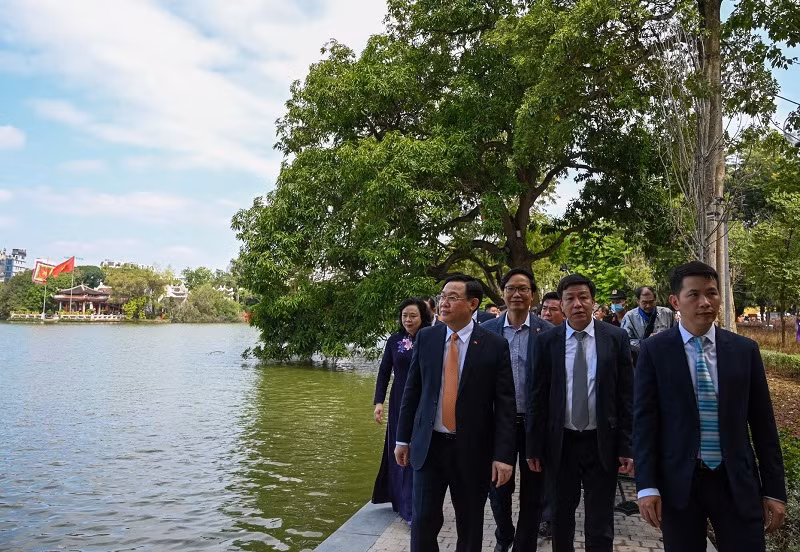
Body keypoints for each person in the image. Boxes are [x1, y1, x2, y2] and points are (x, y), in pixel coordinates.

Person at [634, 261, 786, 552]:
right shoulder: (655, 351)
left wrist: (775, 490)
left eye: (712, 293)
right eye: (694, 295)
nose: (705, 302)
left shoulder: (744, 351)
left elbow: (764, 424)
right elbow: (644, 423)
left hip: (736, 482)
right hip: (679, 484)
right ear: (675, 301)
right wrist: (647, 485)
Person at [396, 274, 516, 552]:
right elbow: (412, 392)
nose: (443, 303)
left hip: (472, 450)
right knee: (423, 522)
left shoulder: (494, 345)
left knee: (470, 524)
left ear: (472, 303)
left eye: (452, 297)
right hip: (429, 447)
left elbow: (506, 405)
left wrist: (503, 456)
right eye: (442, 296)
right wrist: (403, 439)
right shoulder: (427, 338)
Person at [527, 273, 634, 552]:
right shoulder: (546, 342)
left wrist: (627, 446)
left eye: (583, 297)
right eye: (570, 298)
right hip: (561, 443)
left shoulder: (615, 338)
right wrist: (533, 446)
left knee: (600, 519)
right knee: (561, 516)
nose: (577, 304)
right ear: (561, 305)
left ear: (593, 302)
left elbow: (626, 396)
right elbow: (536, 397)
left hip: (602, 442)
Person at [483, 269, 554, 552]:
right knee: (498, 488)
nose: (517, 294)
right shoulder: (486, 332)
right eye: (511, 288)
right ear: (503, 293)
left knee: (534, 492)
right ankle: (504, 535)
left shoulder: (548, 333)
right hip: (498, 424)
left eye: (523, 289)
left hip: (534, 423)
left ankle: (524, 545)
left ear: (532, 295)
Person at [372, 298, 433, 522]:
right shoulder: (394, 340)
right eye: (404, 315)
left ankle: (417, 502)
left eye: (413, 316)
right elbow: (384, 371)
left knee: (420, 450)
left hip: (425, 402)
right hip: (399, 402)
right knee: (399, 450)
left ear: (423, 318)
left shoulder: (432, 338)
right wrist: (379, 402)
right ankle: (404, 505)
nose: (408, 320)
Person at [620, 286, 675, 355]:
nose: (648, 306)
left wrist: (663, 338)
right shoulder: (629, 317)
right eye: (644, 303)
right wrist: (646, 342)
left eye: (651, 302)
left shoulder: (667, 313)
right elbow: (625, 341)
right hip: (642, 357)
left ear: (655, 300)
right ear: (638, 301)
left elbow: (676, 334)